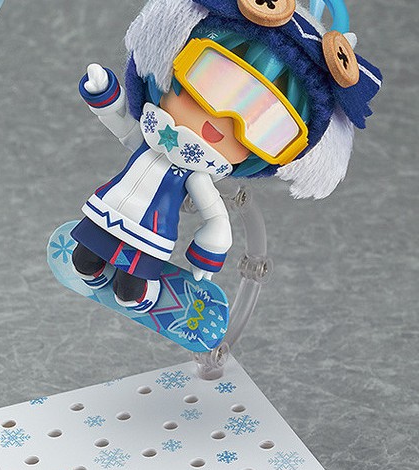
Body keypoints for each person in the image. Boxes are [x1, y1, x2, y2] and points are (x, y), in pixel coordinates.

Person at [70, 0, 381, 313]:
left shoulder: (197, 175)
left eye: (264, 126)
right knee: (84, 259)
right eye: (212, 82)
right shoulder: (149, 136)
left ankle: (136, 291)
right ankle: (95, 273)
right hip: (108, 206)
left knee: (131, 287)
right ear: (171, 63)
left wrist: (211, 246)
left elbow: (216, 216)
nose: (225, 121)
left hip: (153, 231)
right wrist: (104, 94)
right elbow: (123, 123)